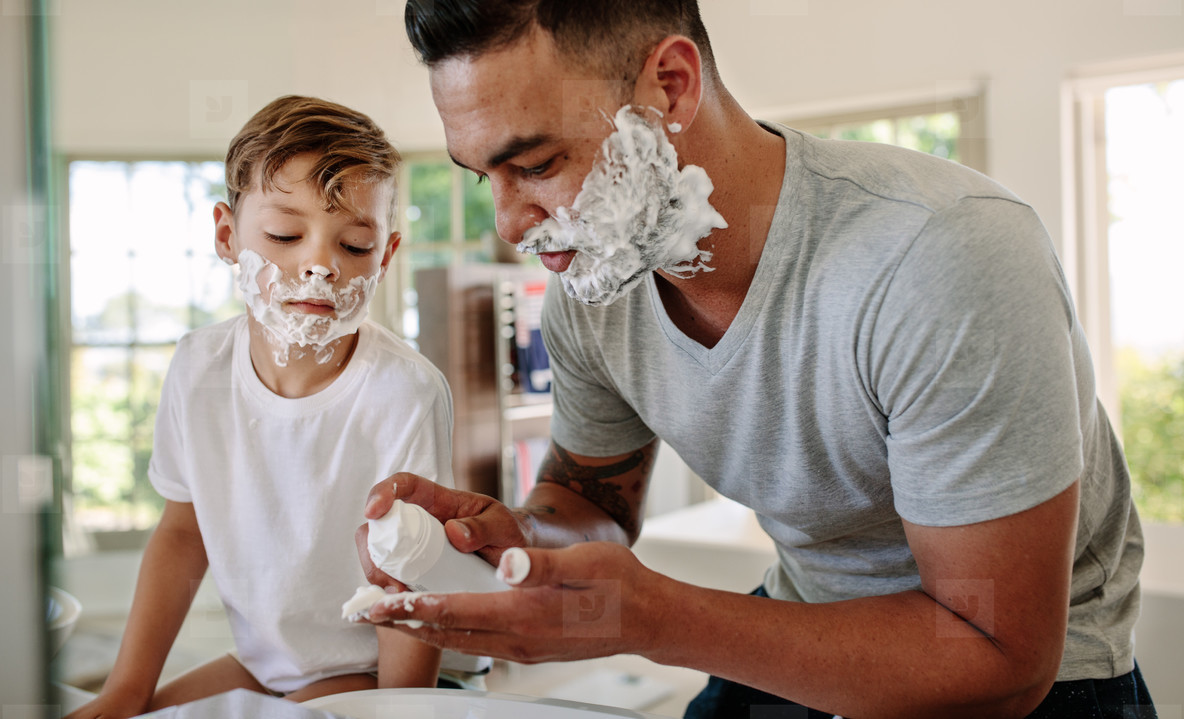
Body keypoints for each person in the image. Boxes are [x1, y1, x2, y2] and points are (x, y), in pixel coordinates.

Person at [354, 2, 1156, 717]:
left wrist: (654, 616)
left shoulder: (940, 255)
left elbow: (1001, 658)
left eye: (536, 164)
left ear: (669, 86)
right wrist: (515, 541)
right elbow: (585, 499)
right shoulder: (597, 290)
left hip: (1034, 680)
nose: (509, 223)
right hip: (803, 616)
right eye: (483, 174)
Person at [67, 95, 456, 718]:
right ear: (227, 235)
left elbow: (405, 577)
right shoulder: (198, 369)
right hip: (262, 661)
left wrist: (400, 709)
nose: (320, 265)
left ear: (385, 255)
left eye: (355, 244)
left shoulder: (403, 392)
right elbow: (181, 532)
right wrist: (124, 692)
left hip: (370, 668)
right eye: (284, 235)